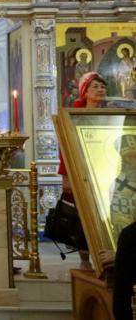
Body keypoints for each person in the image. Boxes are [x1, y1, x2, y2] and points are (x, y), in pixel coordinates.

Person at [58, 72, 108, 268]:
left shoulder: (110, 115)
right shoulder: (74, 116)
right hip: (81, 172)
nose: (100, 90)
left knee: (103, 217)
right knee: (82, 217)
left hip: (103, 172)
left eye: (102, 86)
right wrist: (66, 176)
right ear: (85, 92)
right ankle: (85, 260)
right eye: (95, 86)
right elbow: (66, 147)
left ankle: (104, 257)